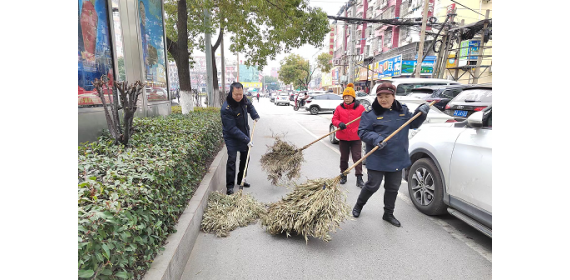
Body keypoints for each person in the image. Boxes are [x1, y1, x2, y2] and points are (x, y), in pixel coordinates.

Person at [352, 82, 430, 227]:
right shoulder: (370, 114)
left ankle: (388, 214)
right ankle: (358, 206)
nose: (383, 99)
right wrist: (376, 139)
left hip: (397, 158)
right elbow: (362, 132)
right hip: (377, 157)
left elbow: (413, 124)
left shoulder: (403, 111)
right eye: (380, 96)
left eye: (387, 96)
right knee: (372, 185)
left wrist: (422, 113)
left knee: (393, 187)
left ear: (393, 96)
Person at [221, 82, 260, 195]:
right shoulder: (226, 108)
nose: (239, 97)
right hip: (231, 137)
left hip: (244, 133)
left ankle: (241, 179)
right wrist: (247, 140)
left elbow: (250, 106)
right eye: (236, 94)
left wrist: (255, 115)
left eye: (241, 94)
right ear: (231, 93)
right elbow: (231, 129)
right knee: (232, 160)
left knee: (245, 158)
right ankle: (230, 186)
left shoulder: (243, 99)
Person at [331, 83, 366, 187]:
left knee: (357, 157)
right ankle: (343, 175)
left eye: (348, 96)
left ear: (353, 97)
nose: (346, 98)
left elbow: (365, 120)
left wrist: (358, 129)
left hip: (356, 137)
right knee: (344, 158)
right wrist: (339, 124)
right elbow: (334, 119)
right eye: (345, 96)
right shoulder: (339, 108)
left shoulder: (360, 108)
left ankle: (359, 178)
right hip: (343, 137)